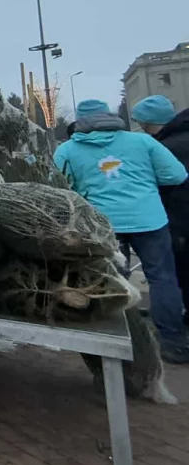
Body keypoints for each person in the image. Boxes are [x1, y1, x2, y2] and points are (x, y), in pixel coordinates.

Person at [54, 99, 189, 363]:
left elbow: (59, 187)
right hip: (149, 219)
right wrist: (143, 181)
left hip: (102, 225)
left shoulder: (68, 149)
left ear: (79, 121)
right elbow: (176, 175)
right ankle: (174, 342)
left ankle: (120, 341)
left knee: (111, 278)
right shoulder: (142, 142)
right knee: (162, 278)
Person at [132, 95, 189, 320]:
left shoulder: (167, 147)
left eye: (142, 122)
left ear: (149, 123)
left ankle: (175, 323)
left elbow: (171, 179)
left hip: (180, 218)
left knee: (173, 272)